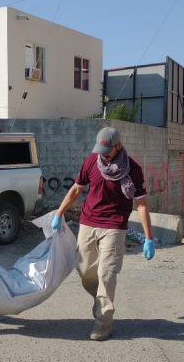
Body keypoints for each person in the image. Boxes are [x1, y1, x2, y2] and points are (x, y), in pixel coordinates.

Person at [52, 127, 156, 341]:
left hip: (115, 226)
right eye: (100, 149)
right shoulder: (92, 161)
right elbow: (76, 189)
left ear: (119, 146)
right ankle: (100, 300)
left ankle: (103, 323)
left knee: (106, 275)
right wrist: (59, 212)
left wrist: (148, 238)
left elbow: (142, 204)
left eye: (107, 150)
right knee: (85, 272)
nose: (103, 154)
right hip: (88, 222)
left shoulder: (133, 169)